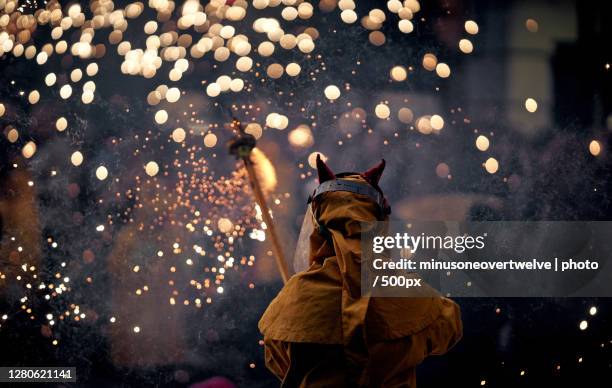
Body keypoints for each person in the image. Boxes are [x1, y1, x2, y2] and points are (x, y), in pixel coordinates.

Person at [259, 155, 462, 387]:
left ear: (317, 228)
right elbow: (448, 327)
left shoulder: (294, 298)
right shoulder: (408, 294)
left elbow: (277, 359)